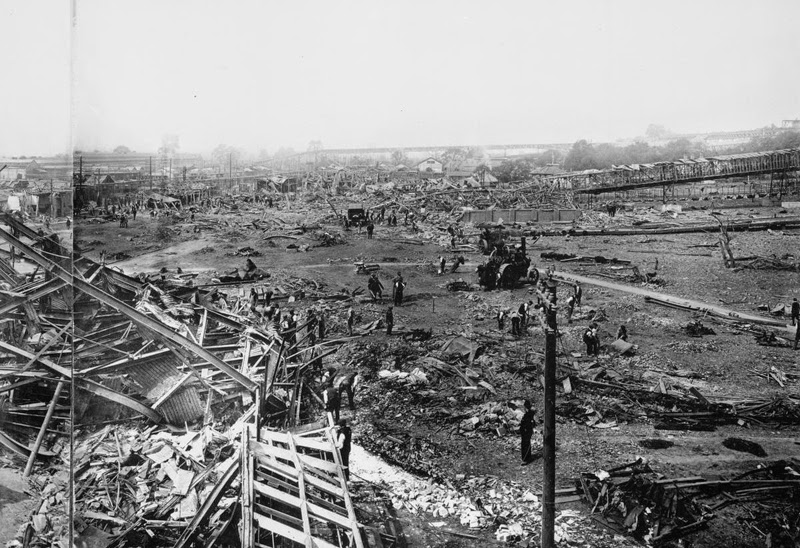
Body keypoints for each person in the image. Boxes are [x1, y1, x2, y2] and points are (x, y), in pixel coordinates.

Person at [520, 400, 537, 465]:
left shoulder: (528, 414)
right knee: (526, 444)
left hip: (526, 431)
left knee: (525, 444)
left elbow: (530, 423)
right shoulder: (528, 413)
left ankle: (525, 459)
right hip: (525, 431)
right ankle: (528, 457)